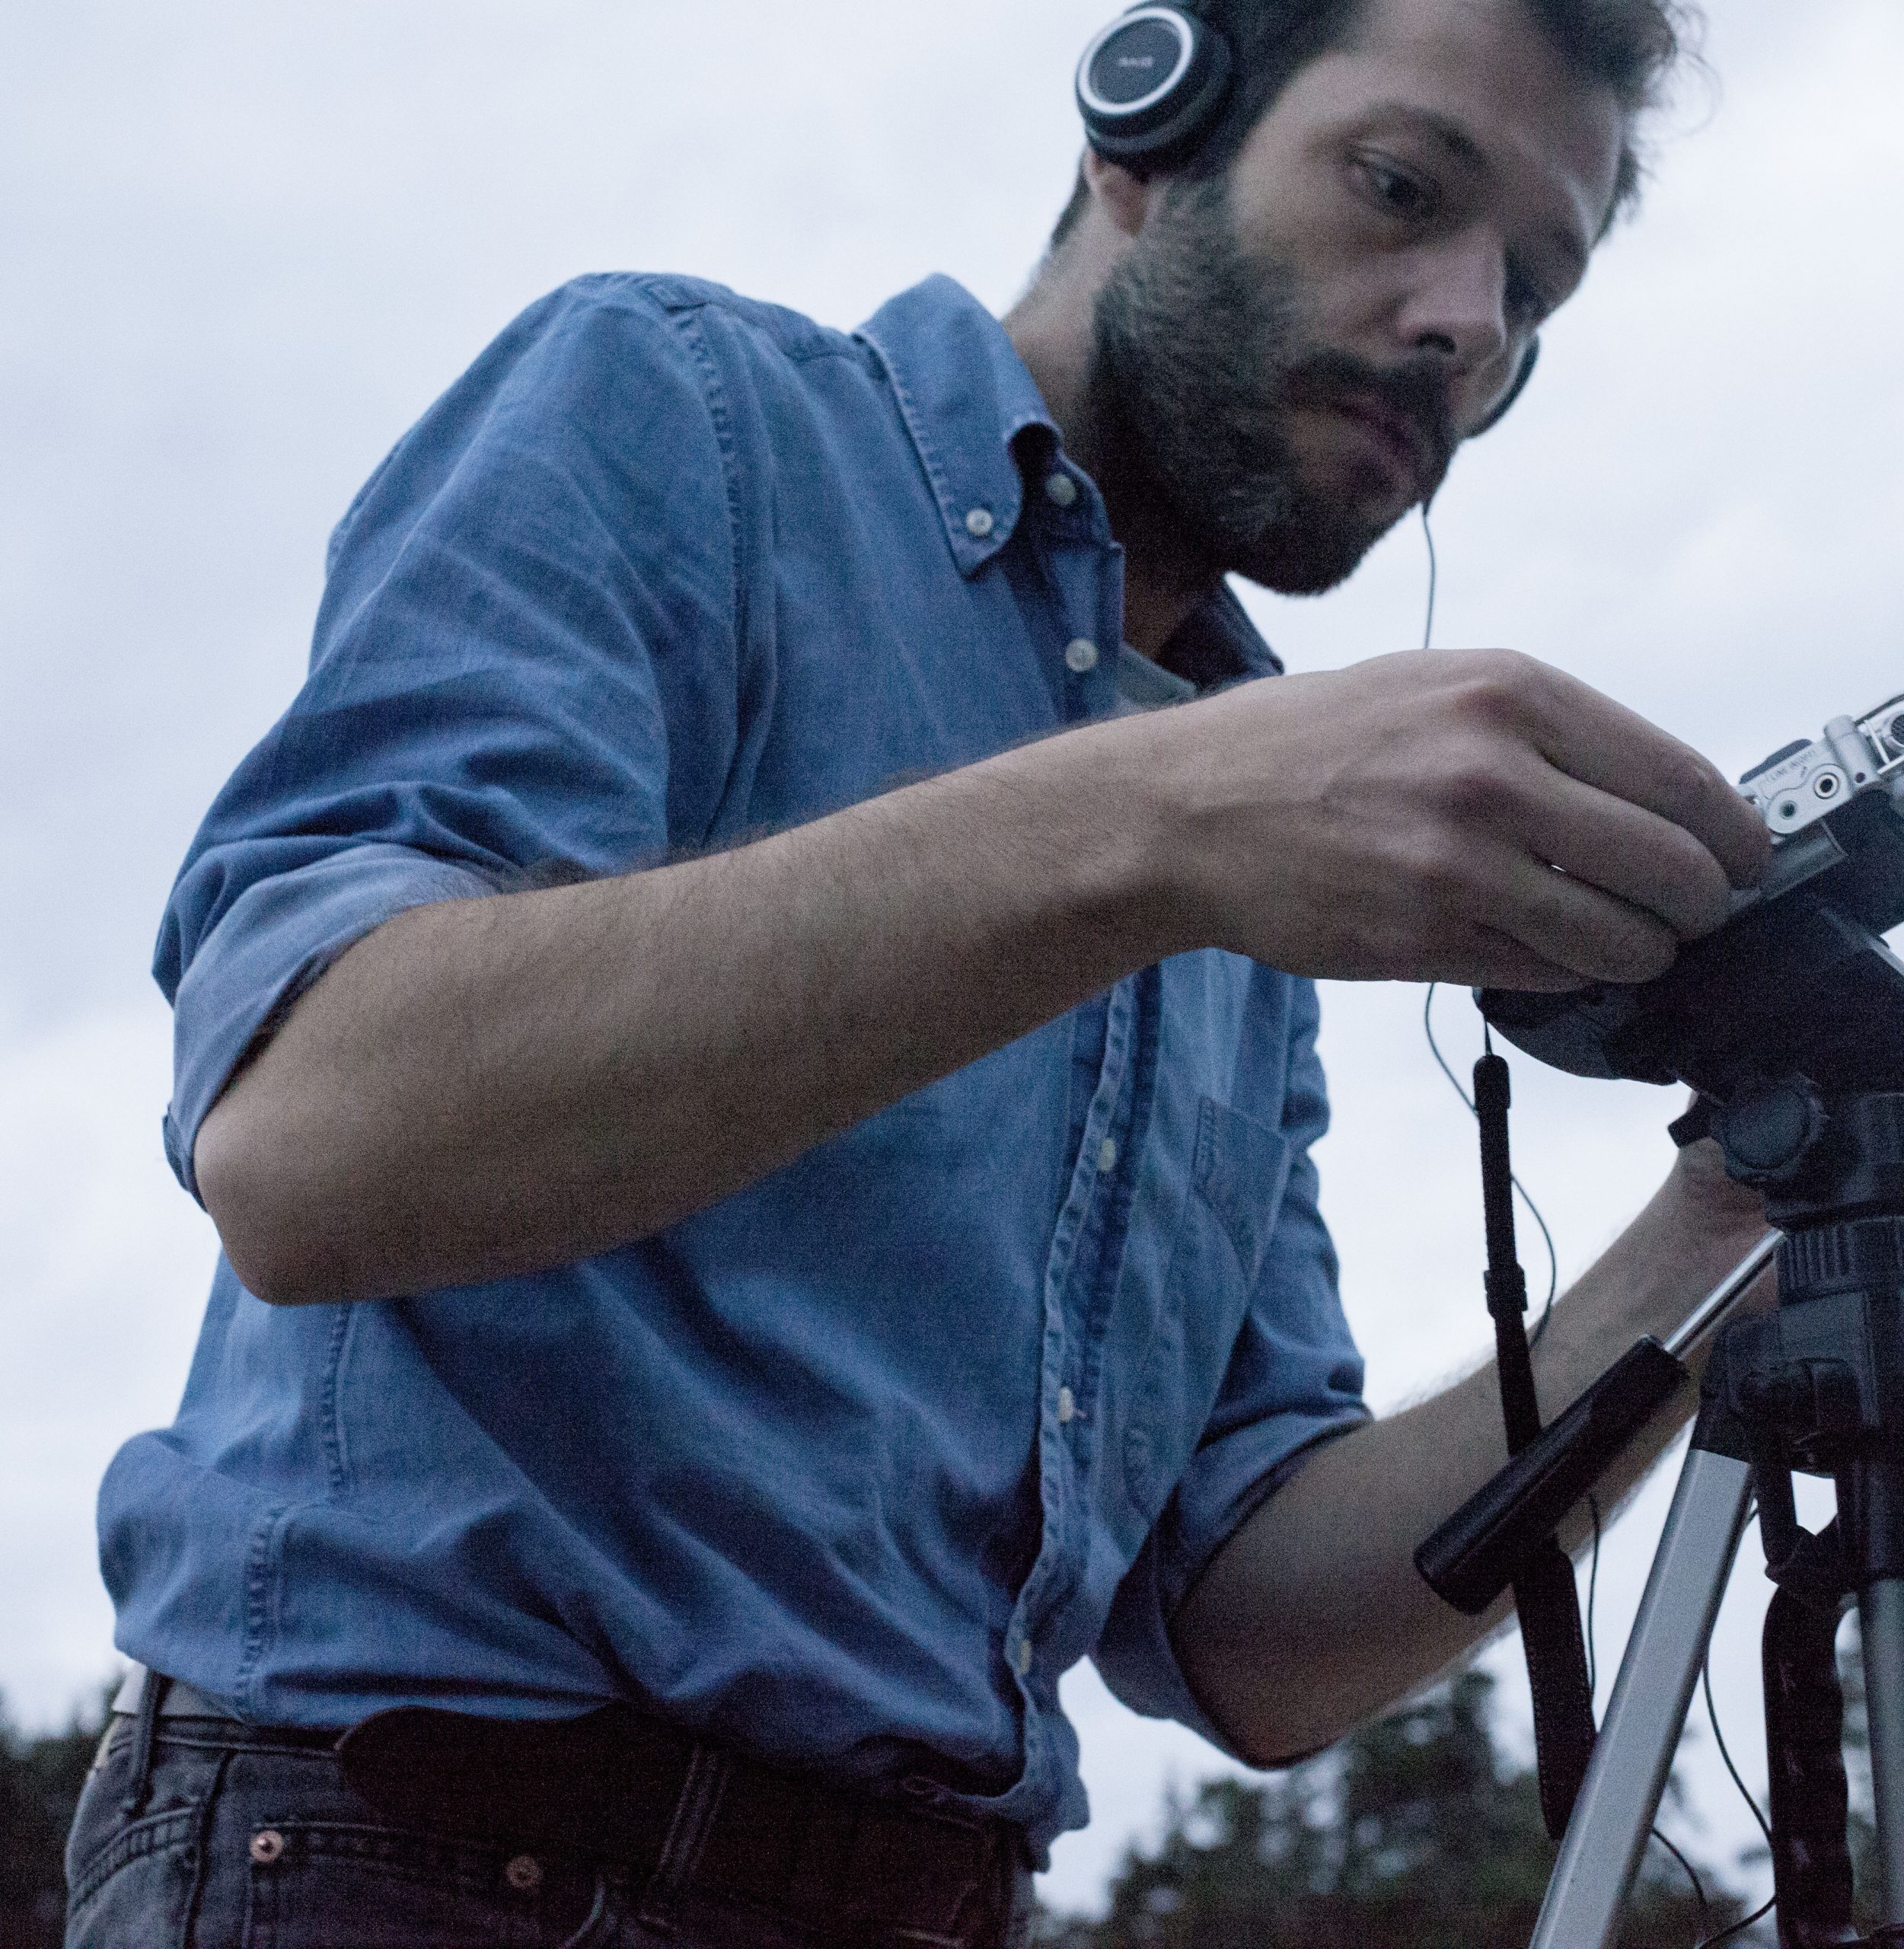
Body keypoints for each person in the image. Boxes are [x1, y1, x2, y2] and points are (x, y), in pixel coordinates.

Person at [69, 1, 1774, 1944]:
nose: (1468, 323)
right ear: (1147, 129)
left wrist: (1734, 1215)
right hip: (404, 1860)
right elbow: (310, 1137)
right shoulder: (680, 413)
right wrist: (1166, 824)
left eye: (1535, 289)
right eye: (1401, 187)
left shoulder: (1248, 827)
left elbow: (1254, 1640)